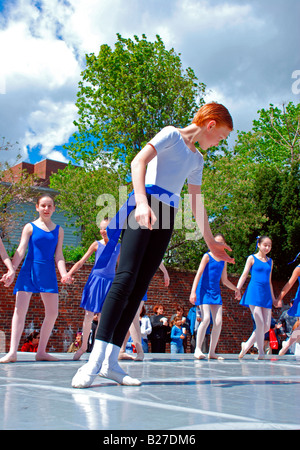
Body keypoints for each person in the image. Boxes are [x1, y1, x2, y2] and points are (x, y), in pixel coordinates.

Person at [71, 102, 234, 388]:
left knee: (139, 287)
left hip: (168, 215)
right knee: (124, 279)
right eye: (221, 135)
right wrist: (143, 203)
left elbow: (195, 200)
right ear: (210, 124)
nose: (220, 141)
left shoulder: (198, 160)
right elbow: (138, 162)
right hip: (143, 205)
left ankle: (110, 363)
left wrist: (210, 241)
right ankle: (93, 361)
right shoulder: (171, 134)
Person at [0, 195, 72, 363]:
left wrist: (64, 274)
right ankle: (12, 352)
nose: (46, 209)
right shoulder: (29, 227)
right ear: (37, 207)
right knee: (19, 311)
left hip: (47, 272)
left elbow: (59, 256)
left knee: (53, 312)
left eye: (49, 206)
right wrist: (12, 271)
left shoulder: (59, 230)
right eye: (43, 205)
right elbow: (20, 250)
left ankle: (41, 352)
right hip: (29, 269)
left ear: (54, 208)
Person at [65, 218, 121, 360]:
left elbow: (121, 268)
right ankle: (83, 347)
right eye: (101, 228)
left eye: (106, 228)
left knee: (103, 318)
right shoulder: (96, 244)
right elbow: (81, 261)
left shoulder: (118, 247)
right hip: (95, 281)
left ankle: (96, 350)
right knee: (89, 315)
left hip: (110, 282)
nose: (103, 231)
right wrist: (69, 274)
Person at [189, 233, 241, 359]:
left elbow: (225, 280)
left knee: (218, 322)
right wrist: (193, 291)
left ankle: (212, 352)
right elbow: (199, 273)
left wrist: (237, 289)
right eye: (216, 242)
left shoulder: (224, 259)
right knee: (206, 318)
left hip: (215, 292)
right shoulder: (207, 256)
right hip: (204, 290)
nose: (218, 245)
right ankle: (198, 349)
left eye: (221, 243)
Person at [118, 262, 169, 361]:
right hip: (134, 280)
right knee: (133, 316)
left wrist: (165, 272)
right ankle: (139, 349)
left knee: (131, 317)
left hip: (140, 281)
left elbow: (157, 257)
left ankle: (121, 350)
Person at [237, 236, 275, 359]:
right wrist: (238, 288)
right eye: (265, 245)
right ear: (258, 244)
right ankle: (261, 352)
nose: (267, 247)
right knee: (259, 323)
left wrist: (273, 298)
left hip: (266, 294)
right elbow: (244, 275)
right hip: (254, 292)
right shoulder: (251, 258)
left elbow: (269, 281)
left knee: (266, 327)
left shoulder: (270, 261)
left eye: (269, 245)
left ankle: (246, 345)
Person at [274, 259, 300, 355]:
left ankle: (288, 344)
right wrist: (279, 298)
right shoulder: (298, 269)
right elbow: (288, 284)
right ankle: (288, 344)